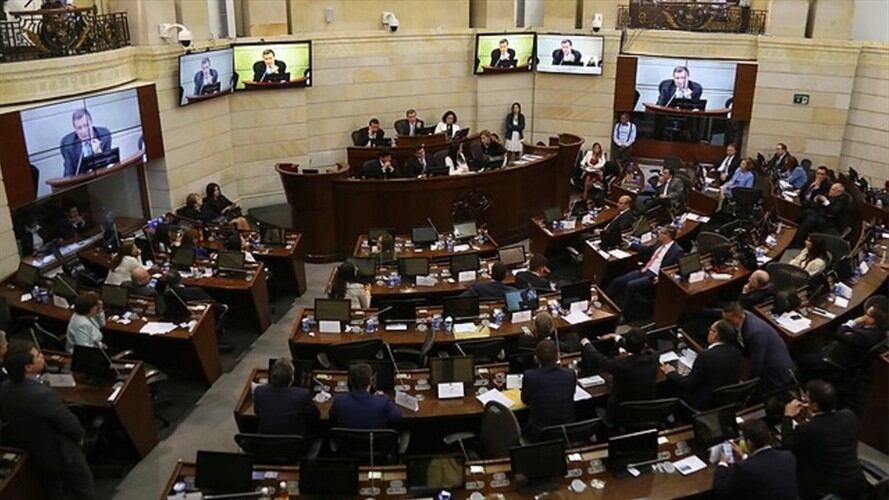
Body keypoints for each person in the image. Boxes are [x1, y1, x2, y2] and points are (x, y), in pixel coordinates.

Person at [0, 342, 96, 500]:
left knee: (53, 490)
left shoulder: (4, 388)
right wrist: (80, 438)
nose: (42, 356)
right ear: (28, 368)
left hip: (34, 451)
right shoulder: (42, 395)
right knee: (83, 490)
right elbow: (70, 425)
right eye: (38, 356)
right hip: (63, 453)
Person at [782, 380, 866, 499]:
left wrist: (787, 417)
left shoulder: (807, 430)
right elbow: (827, 430)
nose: (803, 400)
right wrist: (810, 419)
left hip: (826, 491)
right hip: (856, 484)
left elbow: (787, 446)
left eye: (806, 398)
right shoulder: (849, 416)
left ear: (815, 406)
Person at [579, 328, 658, 423]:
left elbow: (600, 359)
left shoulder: (620, 363)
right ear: (645, 345)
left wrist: (586, 344)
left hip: (619, 413)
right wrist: (616, 337)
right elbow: (641, 349)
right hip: (646, 410)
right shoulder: (654, 357)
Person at [797, 298, 887, 379]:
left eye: (867, 314)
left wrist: (853, 322)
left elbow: (840, 333)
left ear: (874, 320)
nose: (864, 316)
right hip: (845, 352)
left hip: (832, 359)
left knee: (797, 356)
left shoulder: (863, 337)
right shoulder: (880, 332)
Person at [661, 320, 742, 410]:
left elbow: (688, 385)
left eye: (710, 330)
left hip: (702, 403)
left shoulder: (706, 356)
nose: (708, 332)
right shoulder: (736, 352)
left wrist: (671, 372)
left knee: (667, 387)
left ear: (716, 335)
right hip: (724, 400)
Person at [606, 226, 684, 319]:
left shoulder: (677, 250)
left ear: (667, 235)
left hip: (655, 276)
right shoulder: (659, 243)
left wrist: (662, 277)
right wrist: (630, 244)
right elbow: (647, 249)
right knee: (618, 281)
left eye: (661, 232)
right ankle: (604, 301)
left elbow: (676, 269)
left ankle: (624, 315)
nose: (658, 233)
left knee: (631, 285)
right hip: (645, 270)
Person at [712, 419, 798, 499]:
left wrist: (722, 463)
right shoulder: (788, 456)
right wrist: (744, 456)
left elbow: (721, 489)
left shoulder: (743, 468)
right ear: (769, 435)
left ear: (748, 443)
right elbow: (764, 467)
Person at [721, 302, 795, 393]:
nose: (726, 323)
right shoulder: (744, 316)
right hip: (767, 365)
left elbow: (757, 363)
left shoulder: (754, 333)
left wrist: (748, 385)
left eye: (729, 320)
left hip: (776, 373)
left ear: (740, 317)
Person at [521, 340, 576, 439]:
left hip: (540, 433)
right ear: (558, 357)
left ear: (536, 359)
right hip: (566, 431)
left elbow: (525, 400)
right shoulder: (570, 374)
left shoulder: (530, 376)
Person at [253, 358, 319, 435]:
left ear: (271, 376)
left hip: (266, 443)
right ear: (292, 378)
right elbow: (315, 415)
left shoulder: (259, 392)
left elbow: (257, 411)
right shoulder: (302, 395)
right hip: (295, 445)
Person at [329, 363, 402, 429]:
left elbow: (332, 417)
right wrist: (382, 398)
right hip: (374, 442)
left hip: (347, 443)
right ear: (371, 381)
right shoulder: (383, 401)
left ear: (350, 381)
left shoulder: (339, 401)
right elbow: (397, 417)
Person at [60, 108, 112, 177]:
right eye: (79, 128)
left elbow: (108, 168)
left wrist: (98, 153)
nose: (84, 131)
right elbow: (68, 175)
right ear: (75, 129)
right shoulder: (68, 145)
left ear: (91, 123)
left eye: (86, 125)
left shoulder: (104, 136)